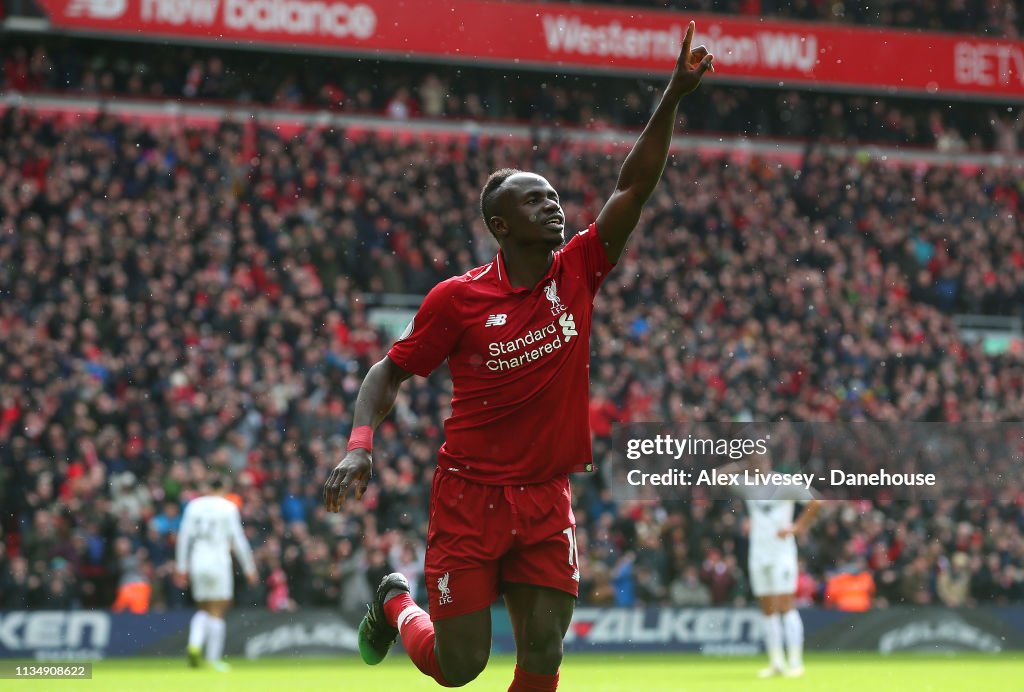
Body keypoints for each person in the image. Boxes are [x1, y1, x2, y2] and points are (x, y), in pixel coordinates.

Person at [322, 21, 714, 691]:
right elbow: (390, 370)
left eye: (554, 196)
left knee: (543, 651)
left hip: (545, 494)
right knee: (460, 667)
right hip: (468, 496)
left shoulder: (579, 268)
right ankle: (394, 599)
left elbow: (633, 188)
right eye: (535, 200)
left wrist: (673, 95)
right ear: (501, 225)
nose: (553, 205)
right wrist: (360, 444)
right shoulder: (458, 299)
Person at [738, 460, 822, 679]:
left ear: (766, 460)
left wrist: (798, 527)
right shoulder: (748, 485)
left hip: (781, 553)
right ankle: (776, 662)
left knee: (786, 606)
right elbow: (715, 477)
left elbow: (816, 501)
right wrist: (739, 465)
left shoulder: (785, 483)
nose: (755, 463)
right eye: (750, 458)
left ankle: (795, 662)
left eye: (758, 457)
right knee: (767, 609)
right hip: (758, 554)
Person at [175, 477, 258, 672]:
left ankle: (195, 643)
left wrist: (181, 567)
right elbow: (238, 539)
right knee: (218, 609)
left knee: (204, 607)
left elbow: (183, 538)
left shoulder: (193, 506)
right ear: (223, 488)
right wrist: (249, 568)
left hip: (197, 561)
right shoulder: (228, 507)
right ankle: (212, 659)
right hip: (219, 562)